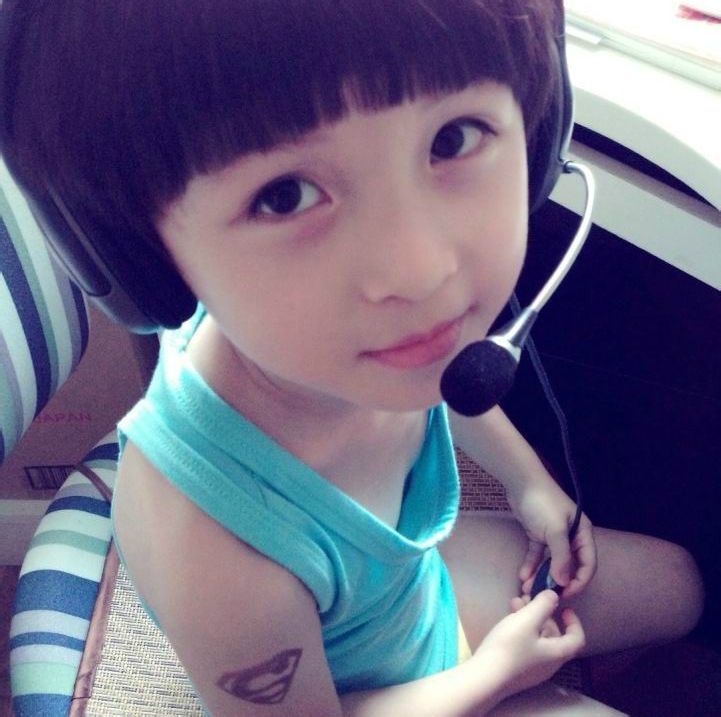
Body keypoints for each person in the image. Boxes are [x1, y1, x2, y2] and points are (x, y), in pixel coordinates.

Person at [0, 1, 703, 715]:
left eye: (453, 138)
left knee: (679, 586)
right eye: (284, 197)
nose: (421, 274)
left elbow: (445, 379)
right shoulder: (210, 550)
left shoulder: (340, 338)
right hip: (366, 693)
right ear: (140, 258)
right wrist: (493, 675)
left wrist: (529, 484)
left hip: (409, 595)